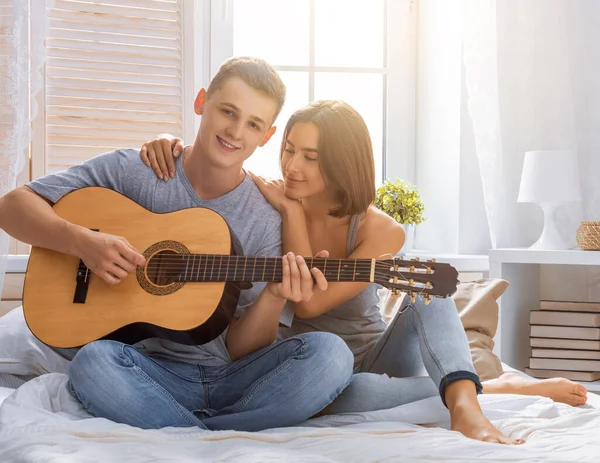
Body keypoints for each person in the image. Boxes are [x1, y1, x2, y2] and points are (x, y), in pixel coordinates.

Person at [142, 99, 589, 444]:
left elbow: (310, 297)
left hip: (374, 355)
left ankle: (467, 409)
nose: (293, 166)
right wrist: (167, 142)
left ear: (343, 162)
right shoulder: (267, 203)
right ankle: (496, 387)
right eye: (290, 149)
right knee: (341, 399)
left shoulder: (380, 229)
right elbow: (209, 173)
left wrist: (292, 214)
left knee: (427, 283)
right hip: (306, 367)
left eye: (312, 157)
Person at [0, 57, 355, 432]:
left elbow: (239, 349)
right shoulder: (136, 170)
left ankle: (187, 434)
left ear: (266, 136)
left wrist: (275, 295)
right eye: (227, 111)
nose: (235, 131)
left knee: (331, 355)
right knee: (91, 364)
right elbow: (11, 207)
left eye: (253, 124)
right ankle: (215, 437)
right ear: (202, 101)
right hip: (139, 369)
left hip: (230, 378)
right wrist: (81, 241)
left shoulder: (266, 217)